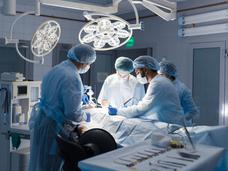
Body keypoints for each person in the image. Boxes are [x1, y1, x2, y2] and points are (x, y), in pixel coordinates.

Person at [29, 44, 96, 171]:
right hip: (54, 127)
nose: (89, 66)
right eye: (89, 63)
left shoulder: (56, 69)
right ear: (83, 61)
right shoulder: (72, 76)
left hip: (42, 120)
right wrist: (85, 115)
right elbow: (72, 113)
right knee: (51, 165)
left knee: (41, 164)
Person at [108, 55, 184, 125]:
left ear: (145, 70)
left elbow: (142, 108)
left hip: (171, 125)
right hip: (169, 122)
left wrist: (118, 111)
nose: (136, 74)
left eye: (137, 71)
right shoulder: (160, 81)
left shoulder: (158, 83)